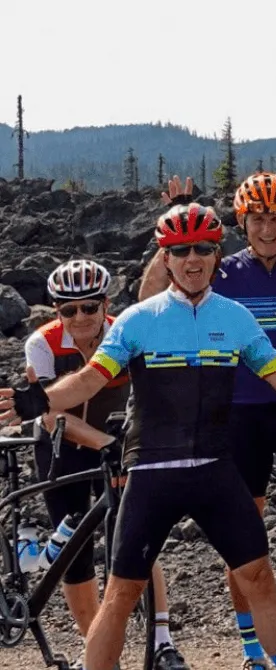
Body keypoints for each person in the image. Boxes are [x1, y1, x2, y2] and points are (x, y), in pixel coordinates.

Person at [1, 203, 276, 670]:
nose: (192, 259)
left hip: (213, 468)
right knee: (123, 591)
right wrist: (43, 400)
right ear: (165, 257)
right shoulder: (137, 320)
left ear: (216, 255)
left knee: (259, 576)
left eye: (203, 249)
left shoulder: (237, 318)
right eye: (180, 250)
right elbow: (90, 379)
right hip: (151, 471)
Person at [135, 173, 276, 670]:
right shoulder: (222, 269)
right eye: (257, 218)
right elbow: (149, 297)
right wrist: (176, 225)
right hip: (236, 417)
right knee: (243, 538)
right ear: (242, 221)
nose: (268, 228)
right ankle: (254, 652)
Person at [23, 260, 190, 670]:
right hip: (63, 447)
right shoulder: (41, 345)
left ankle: (164, 642)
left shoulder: (126, 332)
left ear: (105, 305)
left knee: (138, 540)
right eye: (68, 310)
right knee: (75, 556)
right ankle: (98, 650)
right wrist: (105, 443)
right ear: (55, 311)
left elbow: (151, 395)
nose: (79, 318)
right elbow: (50, 414)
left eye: (89, 308)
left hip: (119, 443)